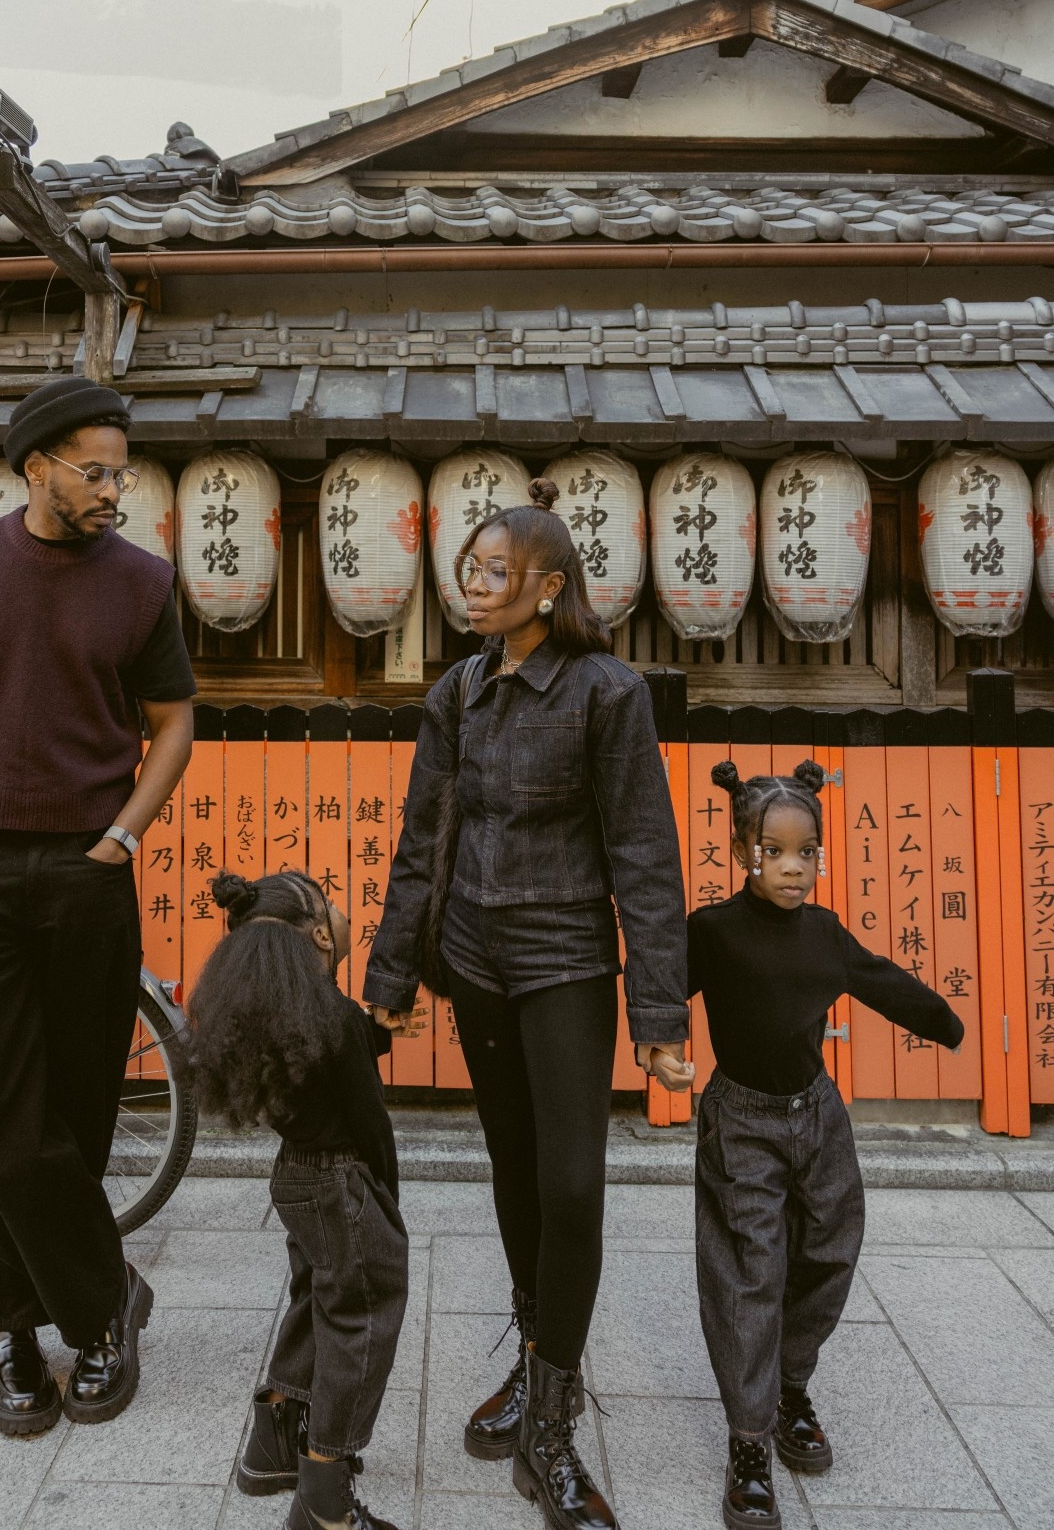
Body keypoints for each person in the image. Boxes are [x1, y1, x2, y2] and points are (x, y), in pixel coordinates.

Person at [364, 477, 692, 1530]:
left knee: (574, 1182)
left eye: (494, 572)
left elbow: (644, 852)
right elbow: (425, 838)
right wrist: (390, 978)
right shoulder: (457, 690)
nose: (473, 585)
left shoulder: (605, 690)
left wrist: (658, 1013)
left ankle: (549, 1428)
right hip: (474, 952)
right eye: (468, 568)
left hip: (562, 957)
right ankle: (536, 1349)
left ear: (550, 586)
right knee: (511, 1164)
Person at [0, 377, 195, 1437]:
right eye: (95, 468)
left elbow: (172, 719)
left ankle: (13, 1331)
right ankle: (104, 1299)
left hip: (88, 871)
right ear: (36, 467)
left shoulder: (143, 584)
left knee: (77, 1112)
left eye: (122, 469)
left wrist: (125, 834)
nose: (114, 488)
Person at [690, 759, 965, 1530]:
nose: (790, 866)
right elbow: (654, 982)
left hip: (818, 1116)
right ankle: (749, 1444)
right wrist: (656, 1039)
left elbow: (882, 979)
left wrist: (943, 1021)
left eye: (805, 851)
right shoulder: (713, 931)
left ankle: (788, 1387)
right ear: (743, 846)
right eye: (772, 850)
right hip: (740, 1119)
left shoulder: (825, 932)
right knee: (751, 1269)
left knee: (830, 1250)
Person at [186, 869, 408, 1530]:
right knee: (362, 1312)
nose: (344, 915)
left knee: (320, 1294)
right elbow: (372, 1126)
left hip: (297, 1178)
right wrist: (386, 1206)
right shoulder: (329, 1014)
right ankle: (324, 1498)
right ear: (319, 933)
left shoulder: (273, 1014)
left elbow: (337, 1047)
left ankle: (274, 1440)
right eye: (335, 907)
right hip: (343, 1182)